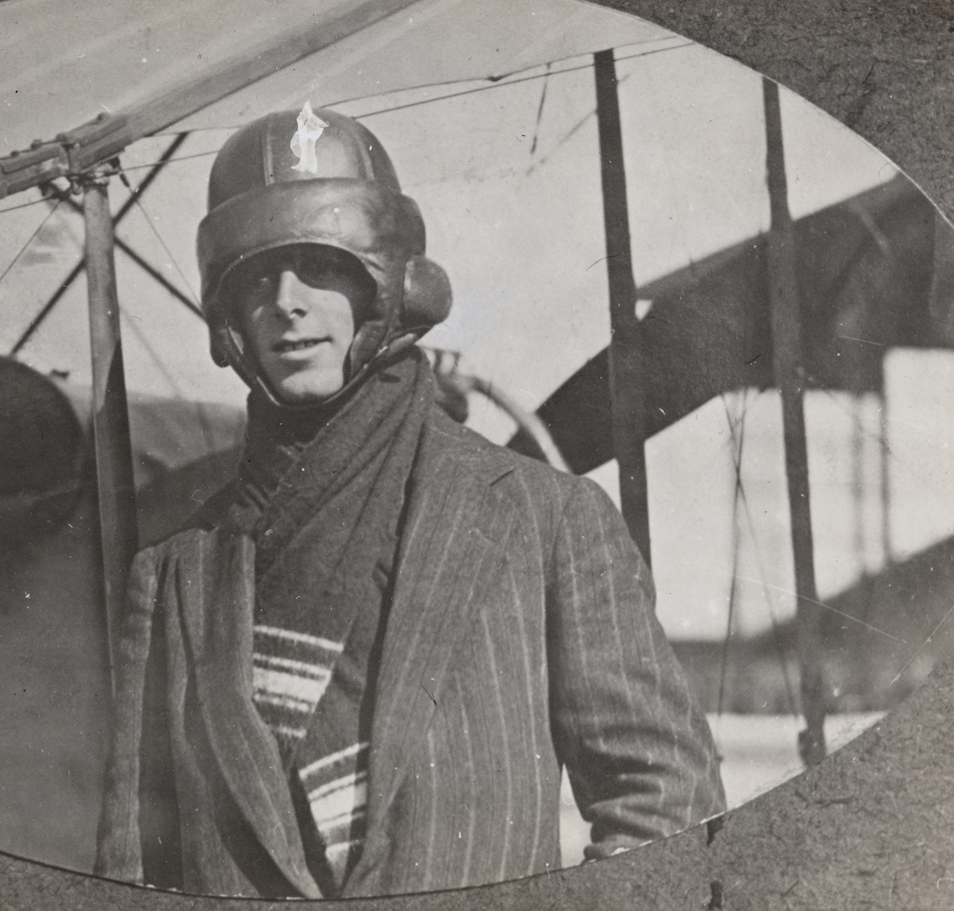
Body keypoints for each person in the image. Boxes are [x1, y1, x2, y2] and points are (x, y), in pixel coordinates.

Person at [94, 107, 724, 899]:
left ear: (386, 287)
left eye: (320, 267)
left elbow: (669, 801)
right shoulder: (174, 569)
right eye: (257, 276)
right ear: (227, 319)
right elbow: (130, 868)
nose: (287, 301)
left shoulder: (546, 521)